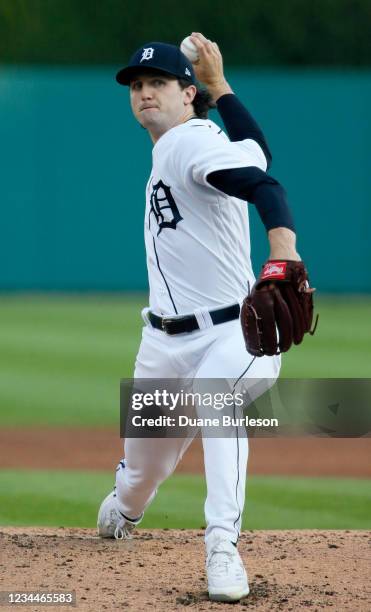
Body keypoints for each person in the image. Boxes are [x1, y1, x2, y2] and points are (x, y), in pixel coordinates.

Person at [97, 32, 304, 602]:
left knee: (219, 396)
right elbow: (257, 154)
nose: (144, 93)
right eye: (137, 85)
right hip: (163, 343)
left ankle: (222, 546)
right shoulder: (193, 141)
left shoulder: (189, 143)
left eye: (158, 83)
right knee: (137, 482)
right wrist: (221, 87)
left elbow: (263, 184)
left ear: (185, 95)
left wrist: (283, 250)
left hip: (231, 333)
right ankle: (126, 506)